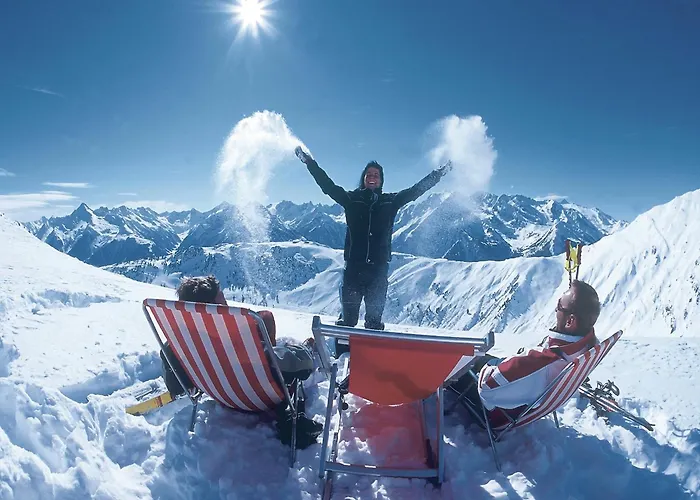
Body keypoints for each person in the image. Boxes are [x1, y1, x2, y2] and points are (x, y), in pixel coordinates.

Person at [295, 146, 452, 331]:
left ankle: (370, 348)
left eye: (376, 175)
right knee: (348, 322)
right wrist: (310, 163)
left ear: (381, 180)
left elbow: (416, 190)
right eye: (368, 174)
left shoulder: (391, 201)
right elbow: (327, 186)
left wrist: (439, 173)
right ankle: (340, 347)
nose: (372, 177)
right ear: (363, 178)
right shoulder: (351, 199)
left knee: (374, 324)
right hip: (353, 270)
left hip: (378, 273)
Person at [451, 280, 601, 428]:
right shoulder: (584, 347)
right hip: (527, 397)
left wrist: (489, 366)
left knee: (456, 362)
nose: (556, 310)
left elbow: (487, 387)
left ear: (570, 321)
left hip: (498, 414)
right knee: (478, 358)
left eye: (559, 305)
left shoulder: (543, 362)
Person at [160, 275, 314, 397]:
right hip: (257, 396)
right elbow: (300, 364)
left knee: (264, 317)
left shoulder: (182, 344)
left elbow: (176, 387)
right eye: (221, 298)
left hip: (218, 391)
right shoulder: (238, 342)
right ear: (214, 308)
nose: (226, 301)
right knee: (265, 320)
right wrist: (302, 351)